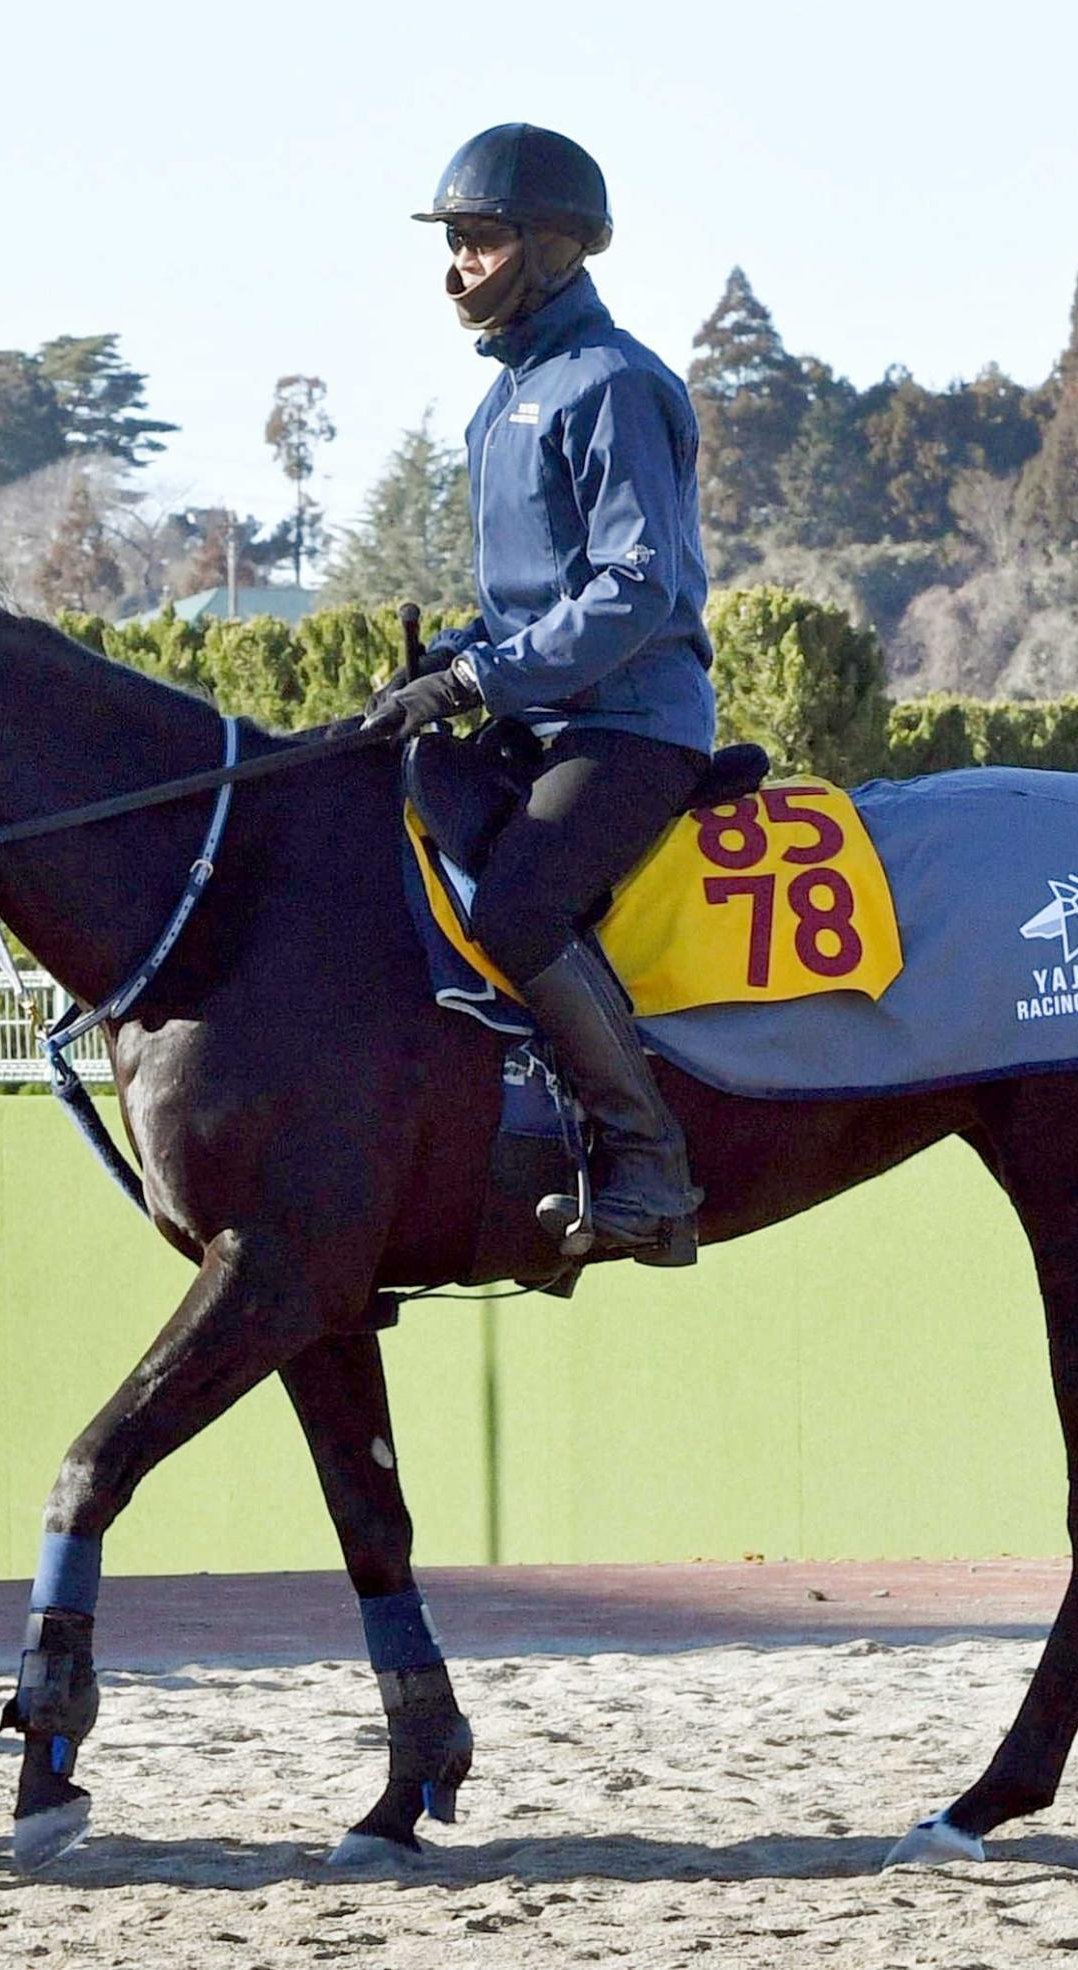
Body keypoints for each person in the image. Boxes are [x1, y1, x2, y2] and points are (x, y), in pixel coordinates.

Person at [363, 123, 716, 1266]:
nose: (457, 263)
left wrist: (482, 676)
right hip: (543, 717)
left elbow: (633, 588)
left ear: (552, 247)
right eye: (453, 241)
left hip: (632, 724)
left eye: (478, 238)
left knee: (514, 907)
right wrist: (444, 664)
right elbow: (520, 607)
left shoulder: (613, 384)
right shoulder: (499, 403)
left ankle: (648, 1164)